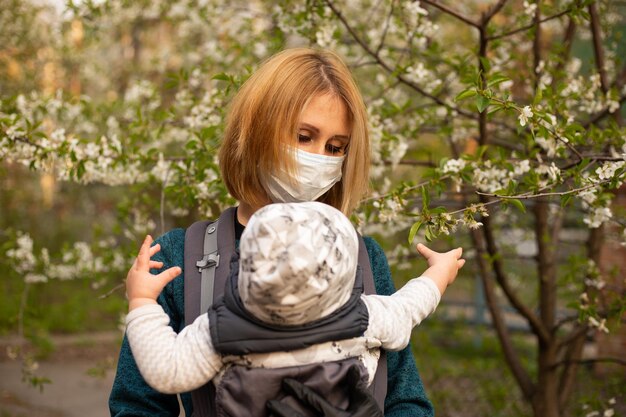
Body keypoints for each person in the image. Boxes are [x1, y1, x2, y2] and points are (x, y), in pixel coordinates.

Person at [109, 47, 446, 417]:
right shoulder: (179, 256)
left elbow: (404, 399)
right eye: (303, 137)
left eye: (335, 147)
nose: (319, 157)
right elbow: (138, 405)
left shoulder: (364, 257)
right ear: (256, 131)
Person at [124, 202, 463, 411]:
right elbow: (409, 307)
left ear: (242, 267)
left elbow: (165, 370)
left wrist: (141, 302)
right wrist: (439, 273)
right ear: (345, 273)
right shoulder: (364, 315)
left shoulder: (220, 328)